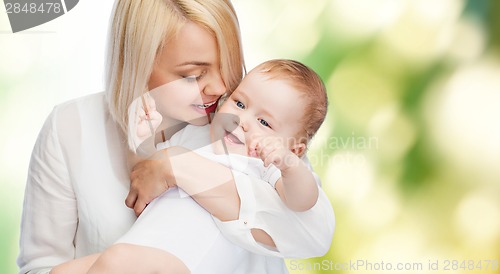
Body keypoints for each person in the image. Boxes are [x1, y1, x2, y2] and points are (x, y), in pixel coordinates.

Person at [17, 0, 334, 274]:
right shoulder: (70, 126)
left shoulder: (266, 141)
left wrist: (178, 167)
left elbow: (311, 232)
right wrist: (145, 143)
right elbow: (144, 173)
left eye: (229, 65)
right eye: (194, 75)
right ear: (138, 63)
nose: (222, 88)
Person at [51, 59, 330, 274]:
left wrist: (290, 166)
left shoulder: (265, 167)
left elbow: (302, 202)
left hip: (185, 259)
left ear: (295, 147)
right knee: (63, 271)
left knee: (118, 260)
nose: (243, 120)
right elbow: (146, 176)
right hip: (145, 243)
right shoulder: (194, 137)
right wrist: (142, 140)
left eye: (265, 123)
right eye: (240, 103)